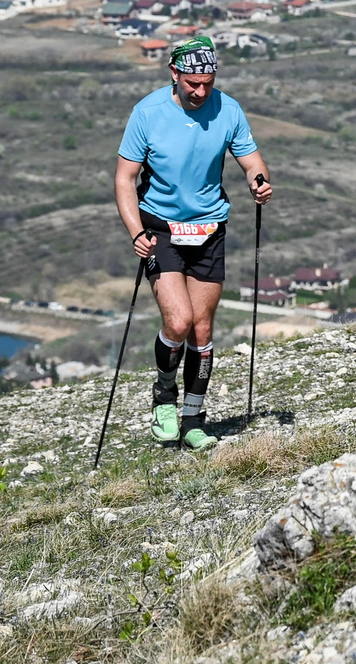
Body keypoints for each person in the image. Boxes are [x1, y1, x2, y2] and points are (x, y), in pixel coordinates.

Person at [113, 36, 271, 451]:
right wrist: (136, 232)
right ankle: (164, 398)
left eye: (208, 82)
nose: (201, 91)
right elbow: (125, 178)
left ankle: (194, 418)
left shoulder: (228, 108)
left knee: (202, 330)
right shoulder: (147, 113)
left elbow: (251, 159)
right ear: (175, 75)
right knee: (178, 322)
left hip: (208, 228)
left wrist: (258, 181)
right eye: (192, 83)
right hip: (160, 227)